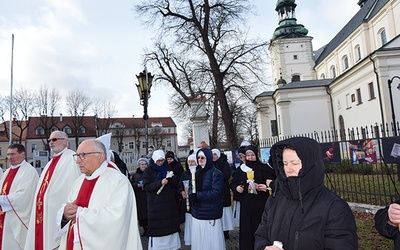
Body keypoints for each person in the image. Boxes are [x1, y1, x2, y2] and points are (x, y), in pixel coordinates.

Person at [254, 137, 358, 250]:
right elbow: (261, 235)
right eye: (285, 163)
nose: (288, 169)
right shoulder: (275, 199)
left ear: (310, 165)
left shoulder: (334, 207)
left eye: (294, 163)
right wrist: (264, 248)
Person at [55, 139, 142, 249]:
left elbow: (117, 218)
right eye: (77, 156)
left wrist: (80, 214)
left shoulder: (117, 181)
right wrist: (65, 215)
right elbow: (69, 207)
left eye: (82, 155)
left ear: (100, 156)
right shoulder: (79, 181)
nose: (77, 161)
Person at [25, 131, 81, 250]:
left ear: (65, 141)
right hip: (45, 212)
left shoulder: (72, 158)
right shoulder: (51, 162)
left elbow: (75, 184)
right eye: (49, 140)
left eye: (54, 140)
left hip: (58, 211)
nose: (51, 143)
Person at [230, 145, 276, 250]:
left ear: (256, 155)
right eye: (248, 155)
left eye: (252, 155)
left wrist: (266, 188)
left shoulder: (265, 169)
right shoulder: (241, 170)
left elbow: (274, 185)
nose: (250, 157)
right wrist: (237, 188)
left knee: (260, 230)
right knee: (247, 232)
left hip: (261, 205)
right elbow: (233, 183)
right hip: (246, 206)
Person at [0, 144, 39, 250]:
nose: (9, 157)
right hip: (4, 215)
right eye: (8, 154)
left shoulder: (29, 171)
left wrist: (2, 200)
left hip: (17, 217)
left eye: (13, 154)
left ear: (22, 154)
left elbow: (23, 196)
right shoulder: (7, 171)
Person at [143, 150, 181, 250]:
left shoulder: (168, 167)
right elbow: (147, 187)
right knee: (158, 228)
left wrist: (171, 179)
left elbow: (174, 184)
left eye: (162, 160)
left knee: (169, 227)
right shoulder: (148, 171)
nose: (160, 163)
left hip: (168, 204)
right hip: (155, 205)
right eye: (158, 161)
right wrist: (160, 183)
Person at [189, 148, 225, 250]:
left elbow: (217, 192)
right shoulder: (196, 172)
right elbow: (192, 188)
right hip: (197, 212)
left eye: (203, 157)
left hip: (210, 212)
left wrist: (198, 195)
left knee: (211, 241)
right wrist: (190, 194)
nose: (200, 160)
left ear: (208, 158)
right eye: (198, 157)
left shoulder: (216, 173)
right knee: (200, 241)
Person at [212, 148, 235, 239]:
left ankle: (226, 231)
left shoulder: (224, 163)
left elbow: (227, 174)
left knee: (225, 212)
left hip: (223, 189)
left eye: (215, 155)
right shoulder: (210, 164)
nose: (213, 156)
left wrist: (217, 176)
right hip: (214, 190)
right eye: (212, 155)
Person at [178, 153, 197, 246]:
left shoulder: (199, 173)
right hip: (187, 204)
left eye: (193, 161)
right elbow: (179, 187)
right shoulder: (185, 174)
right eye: (189, 162)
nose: (191, 163)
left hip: (198, 204)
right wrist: (182, 192)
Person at [165, 150, 185, 225]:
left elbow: (181, 176)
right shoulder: (165, 166)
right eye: (168, 159)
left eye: (170, 159)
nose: (169, 161)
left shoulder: (178, 166)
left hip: (176, 189)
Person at [132, 157, 149, 236]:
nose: (144, 166)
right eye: (142, 164)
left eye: (145, 164)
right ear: (139, 165)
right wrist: (137, 185)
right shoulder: (135, 175)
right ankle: (144, 228)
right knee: (142, 215)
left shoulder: (149, 173)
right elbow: (131, 184)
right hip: (139, 197)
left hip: (148, 196)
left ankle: (149, 228)